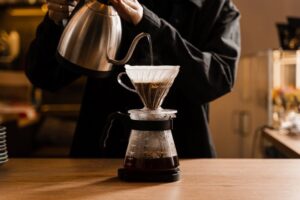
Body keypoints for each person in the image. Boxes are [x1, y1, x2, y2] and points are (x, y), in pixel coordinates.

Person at [25, 0, 241, 158]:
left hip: (184, 159)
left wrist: (148, 23)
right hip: (99, 156)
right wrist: (56, 23)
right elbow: (44, 76)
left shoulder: (217, 7)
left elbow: (219, 79)